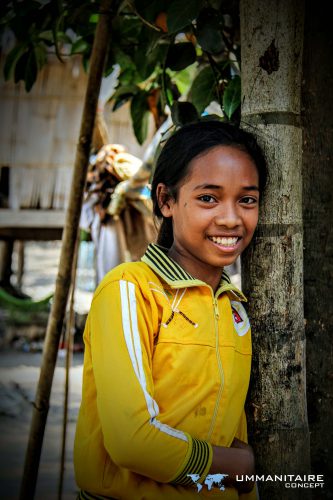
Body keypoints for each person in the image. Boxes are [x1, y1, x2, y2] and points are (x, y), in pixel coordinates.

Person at [74, 120, 268, 499]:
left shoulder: (236, 309)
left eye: (247, 199)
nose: (231, 218)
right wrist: (234, 466)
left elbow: (232, 429)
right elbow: (132, 439)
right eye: (208, 198)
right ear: (166, 200)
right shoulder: (130, 291)